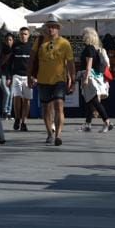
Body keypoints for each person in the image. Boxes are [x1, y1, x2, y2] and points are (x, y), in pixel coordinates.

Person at [29, 17, 75, 146]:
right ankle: (49, 132)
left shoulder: (64, 43)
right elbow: (31, 60)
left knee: (59, 105)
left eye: (54, 26)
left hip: (59, 79)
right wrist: (29, 76)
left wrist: (73, 79)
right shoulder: (40, 42)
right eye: (49, 26)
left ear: (58, 29)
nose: (51, 29)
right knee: (45, 108)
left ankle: (58, 135)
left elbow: (70, 63)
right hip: (43, 79)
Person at [79, 27, 112, 132]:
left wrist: (85, 78)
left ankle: (107, 121)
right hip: (95, 76)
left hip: (90, 76)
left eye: (83, 35)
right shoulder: (96, 48)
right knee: (90, 101)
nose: (82, 37)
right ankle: (88, 124)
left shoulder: (88, 49)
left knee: (94, 101)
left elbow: (89, 65)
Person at [10, 27, 33, 131]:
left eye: (25, 34)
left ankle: (24, 121)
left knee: (27, 100)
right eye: (21, 34)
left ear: (29, 35)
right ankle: (17, 118)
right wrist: (9, 76)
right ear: (19, 35)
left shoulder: (32, 47)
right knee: (17, 97)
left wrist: (34, 76)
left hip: (28, 76)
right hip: (17, 75)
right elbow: (9, 62)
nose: (23, 36)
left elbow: (35, 63)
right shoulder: (15, 46)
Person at [0, 31, 15, 119]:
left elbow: (12, 66)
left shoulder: (14, 51)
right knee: (7, 93)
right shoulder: (2, 51)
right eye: (7, 40)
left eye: (10, 40)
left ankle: (9, 112)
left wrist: (10, 77)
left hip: (12, 75)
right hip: (2, 74)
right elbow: (2, 64)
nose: (8, 41)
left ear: (13, 41)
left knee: (11, 93)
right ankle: (4, 111)